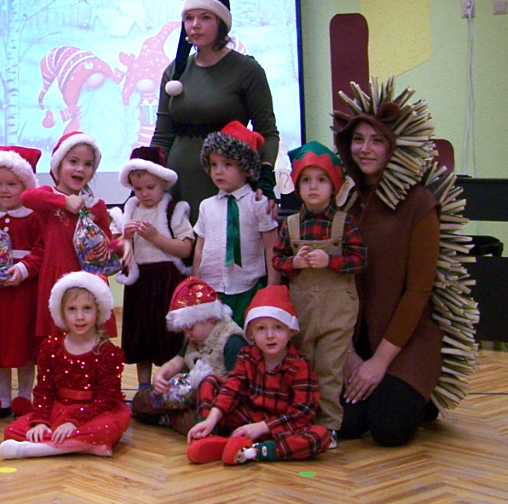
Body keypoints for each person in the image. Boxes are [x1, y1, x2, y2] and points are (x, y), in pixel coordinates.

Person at [333, 95, 444, 447]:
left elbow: (418, 291)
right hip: (356, 340)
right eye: (358, 139)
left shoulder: (419, 203)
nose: (365, 149)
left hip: (404, 340)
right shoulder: (342, 201)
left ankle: (417, 396)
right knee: (344, 424)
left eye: (377, 141)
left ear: (393, 147)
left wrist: (379, 362)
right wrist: (349, 355)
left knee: (388, 430)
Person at [149, 0, 280, 222]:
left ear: (222, 23)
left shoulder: (247, 70)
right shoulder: (175, 71)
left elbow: (268, 132)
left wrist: (265, 177)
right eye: (189, 18)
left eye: (205, 17)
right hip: (178, 186)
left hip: (227, 185)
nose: (195, 25)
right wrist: (145, 176)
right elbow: (162, 136)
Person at [272, 142, 367, 432]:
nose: (313, 187)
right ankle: (301, 421)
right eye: (306, 180)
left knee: (329, 369)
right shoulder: (289, 225)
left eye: (322, 180)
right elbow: (277, 259)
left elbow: (360, 260)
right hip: (302, 311)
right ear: (297, 186)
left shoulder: (345, 223)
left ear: (334, 187)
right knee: (303, 366)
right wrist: (295, 263)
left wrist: (330, 261)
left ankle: (328, 426)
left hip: (337, 310)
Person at [186, 285, 331, 465]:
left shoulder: (299, 365)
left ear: (291, 331)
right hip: (246, 419)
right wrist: (211, 419)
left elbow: (303, 411)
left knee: (320, 436)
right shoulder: (247, 356)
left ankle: (254, 451)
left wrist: (262, 427)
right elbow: (232, 388)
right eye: (261, 328)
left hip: (279, 428)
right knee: (209, 381)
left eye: (278, 327)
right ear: (251, 334)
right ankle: (208, 436)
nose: (270, 335)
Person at [0, 272, 131, 459]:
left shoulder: (108, 352)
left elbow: (106, 399)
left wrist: (75, 422)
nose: (79, 317)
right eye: (72, 309)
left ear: (98, 310)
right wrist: (40, 421)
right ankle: (83, 446)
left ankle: (34, 450)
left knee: (105, 429)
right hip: (57, 410)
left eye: (87, 308)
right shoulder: (50, 347)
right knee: (12, 431)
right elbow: (44, 390)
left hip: (94, 413)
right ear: (61, 312)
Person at [21, 131, 122, 340]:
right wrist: (64, 202)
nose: (80, 168)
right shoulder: (49, 198)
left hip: (89, 280)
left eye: (88, 164)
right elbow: (27, 197)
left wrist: (121, 245)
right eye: (73, 161)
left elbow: (106, 243)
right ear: (58, 165)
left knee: (90, 339)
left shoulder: (96, 205)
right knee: (56, 340)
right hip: (55, 278)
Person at [111, 145, 195, 387]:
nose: (144, 194)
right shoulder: (127, 212)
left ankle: (172, 385)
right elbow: (116, 249)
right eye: (138, 189)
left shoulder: (173, 210)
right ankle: (144, 388)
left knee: (169, 335)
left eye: (150, 187)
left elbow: (186, 249)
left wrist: (156, 237)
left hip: (167, 280)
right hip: (139, 283)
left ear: (163, 183)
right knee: (141, 334)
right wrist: (124, 237)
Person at [0, 145, 43, 419]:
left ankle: (24, 397)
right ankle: (3, 399)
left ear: (25, 184)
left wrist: (24, 268)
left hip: (22, 292)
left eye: (12, 184)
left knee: (22, 345)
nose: (4, 190)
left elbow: (42, 250)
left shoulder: (34, 215)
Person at [131, 277, 246, 435]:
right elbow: (177, 362)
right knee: (141, 400)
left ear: (210, 317)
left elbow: (237, 387)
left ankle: (169, 418)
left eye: (190, 328)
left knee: (199, 422)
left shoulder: (231, 341)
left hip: (217, 403)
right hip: (190, 394)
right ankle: (171, 415)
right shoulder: (195, 338)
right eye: (184, 330)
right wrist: (161, 375)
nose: (187, 335)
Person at [192, 121, 279, 327]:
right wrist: (196, 282)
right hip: (212, 289)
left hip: (249, 288)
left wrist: (273, 286)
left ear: (246, 168)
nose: (218, 171)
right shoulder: (206, 206)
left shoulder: (258, 203)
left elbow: (272, 246)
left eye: (227, 164)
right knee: (214, 337)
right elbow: (200, 248)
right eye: (213, 164)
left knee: (245, 336)